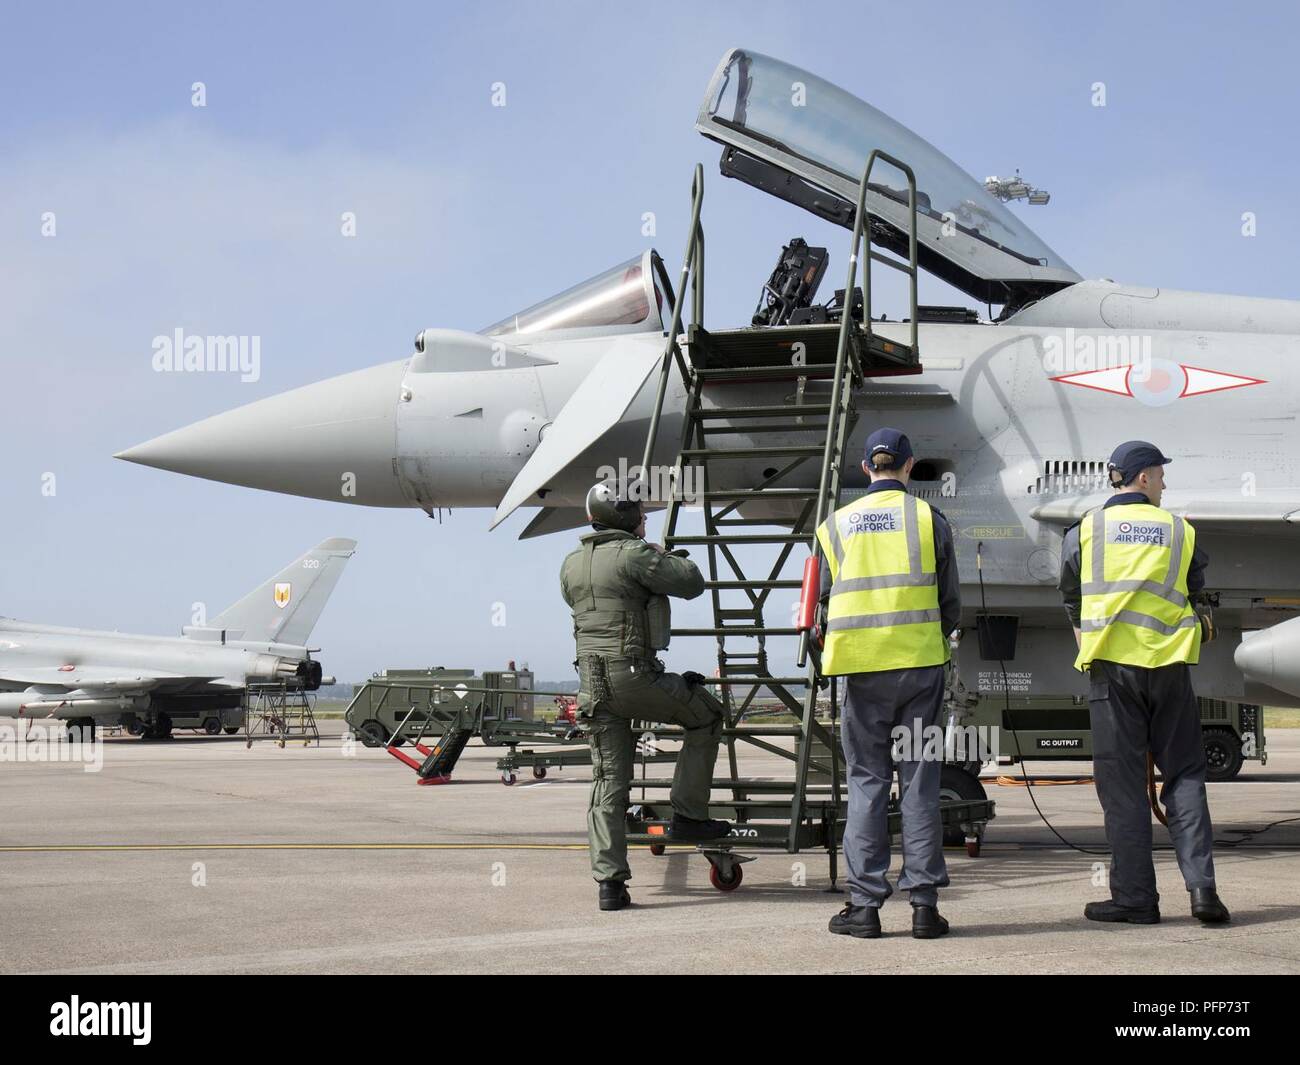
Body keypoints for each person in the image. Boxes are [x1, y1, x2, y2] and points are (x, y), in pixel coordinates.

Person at [1058, 440, 1229, 925]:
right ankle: (1203, 893)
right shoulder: (1179, 530)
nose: (1164, 483)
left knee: (1124, 788)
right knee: (1186, 777)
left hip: (1112, 672)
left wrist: (1088, 642)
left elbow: (1070, 594)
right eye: (1160, 475)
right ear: (1144, 478)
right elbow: (1196, 594)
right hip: (1171, 670)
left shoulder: (1086, 529)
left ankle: (1136, 899)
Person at [815, 428, 961, 940]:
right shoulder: (930, 519)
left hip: (861, 673)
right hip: (920, 670)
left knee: (868, 783)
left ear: (864, 468)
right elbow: (951, 605)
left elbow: (823, 603)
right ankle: (923, 908)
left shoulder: (834, 526)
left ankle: (864, 908)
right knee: (920, 782)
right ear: (909, 465)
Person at [560, 482, 729, 912]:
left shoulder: (572, 563)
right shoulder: (634, 554)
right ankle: (690, 813)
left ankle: (610, 884)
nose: (643, 518)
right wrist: (660, 552)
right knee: (707, 716)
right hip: (634, 677)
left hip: (592, 687)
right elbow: (690, 582)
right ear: (626, 518)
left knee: (607, 782)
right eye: (639, 513)